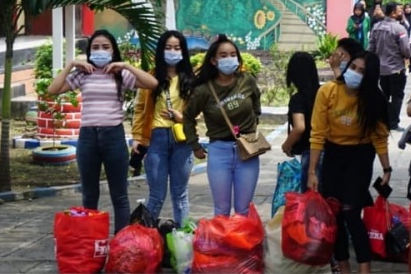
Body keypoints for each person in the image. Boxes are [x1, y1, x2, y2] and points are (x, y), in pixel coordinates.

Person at [48, 29, 158, 234]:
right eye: (95, 47)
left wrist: (125, 65)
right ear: (89, 51)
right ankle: (91, 241)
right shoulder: (83, 74)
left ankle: (121, 243)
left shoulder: (119, 74)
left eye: (105, 47)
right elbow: (53, 89)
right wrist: (71, 64)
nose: (100, 51)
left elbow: (152, 83)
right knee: (89, 195)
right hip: (88, 138)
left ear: (113, 50)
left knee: (120, 195)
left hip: (113, 136)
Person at [308, 51, 392, 274]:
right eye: (353, 67)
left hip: (360, 157)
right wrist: (312, 172)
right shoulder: (328, 91)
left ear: (369, 77)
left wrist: (387, 168)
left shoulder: (373, 99)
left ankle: (365, 269)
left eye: (362, 71)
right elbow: (317, 133)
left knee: (351, 212)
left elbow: (379, 137)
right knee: (335, 213)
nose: (355, 73)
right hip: (333, 156)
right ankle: (343, 266)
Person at [182, 34, 262, 216]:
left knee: (243, 209)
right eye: (223, 55)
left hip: (248, 149)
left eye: (233, 54)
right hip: (219, 151)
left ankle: (243, 236)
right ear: (213, 60)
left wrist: (254, 120)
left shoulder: (246, 80)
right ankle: (222, 236)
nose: (229, 59)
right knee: (222, 209)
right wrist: (195, 145)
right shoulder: (204, 90)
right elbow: (187, 117)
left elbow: (256, 100)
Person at [131, 30, 195, 225]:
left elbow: (198, 111)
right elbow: (140, 108)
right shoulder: (151, 77)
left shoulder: (190, 78)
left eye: (177, 48)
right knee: (157, 195)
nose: (172, 52)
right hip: (156, 139)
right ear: (161, 50)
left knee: (180, 195)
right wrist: (137, 137)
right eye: (168, 48)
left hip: (182, 139)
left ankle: (183, 238)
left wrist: (181, 117)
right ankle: (144, 238)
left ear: (183, 51)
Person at [280, 52, 321, 192]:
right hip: (331, 150)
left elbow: (299, 127)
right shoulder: (325, 93)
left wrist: (286, 145)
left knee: (310, 198)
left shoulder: (298, 99)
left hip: (310, 152)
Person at [369, 2, 410, 131]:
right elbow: (406, 49)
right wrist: (407, 56)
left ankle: (384, 121)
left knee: (384, 95)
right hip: (396, 68)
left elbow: (371, 48)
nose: (402, 13)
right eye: (399, 11)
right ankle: (393, 123)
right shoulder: (399, 29)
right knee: (397, 96)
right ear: (393, 13)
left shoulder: (376, 27)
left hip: (381, 69)